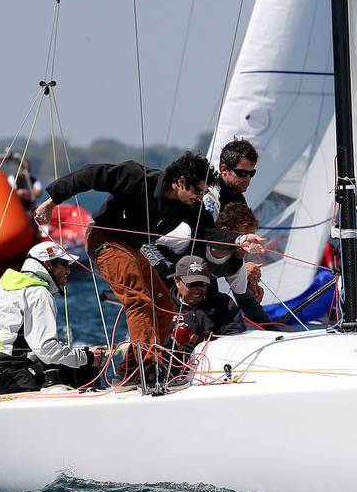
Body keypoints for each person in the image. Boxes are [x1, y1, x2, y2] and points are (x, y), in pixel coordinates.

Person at [33, 151, 265, 386]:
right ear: (181, 181)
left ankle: (128, 372)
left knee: (164, 306)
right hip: (103, 239)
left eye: (204, 193)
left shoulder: (189, 206)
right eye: (198, 191)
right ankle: (147, 371)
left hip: (133, 248)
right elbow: (92, 174)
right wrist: (52, 202)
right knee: (139, 299)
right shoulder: (137, 177)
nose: (200, 198)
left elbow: (207, 232)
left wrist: (239, 239)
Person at [0, 241, 104, 394]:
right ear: (48, 265)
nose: (68, 270)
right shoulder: (39, 293)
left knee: (74, 360)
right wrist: (88, 358)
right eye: (64, 264)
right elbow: (47, 349)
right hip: (15, 375)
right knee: (85, 366)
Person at [145, 202, 272, 329]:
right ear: (227, 233)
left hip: (197, 290)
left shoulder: (236, 266)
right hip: (163, 285)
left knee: (214, 304)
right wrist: (161, 265)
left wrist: (275, 332)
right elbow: (144, 235)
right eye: (245, 239)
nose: (249, 246)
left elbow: (247, 302)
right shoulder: (185, 235)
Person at [164, 255, 247, 381]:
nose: (197, 289)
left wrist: (202, 342)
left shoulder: (223, 303)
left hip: (216, 373)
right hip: (172, 378)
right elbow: (150, 345)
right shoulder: (161, 306)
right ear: (176, 280)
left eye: (202, 284)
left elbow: (235, 334)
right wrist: (173, 340)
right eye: (191, 284)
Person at [203, 139, 258, 218]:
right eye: (242, 173)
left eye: (251, 173)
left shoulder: (239, 199)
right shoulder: (210, 196)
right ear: (224, 169)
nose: (248, 179)